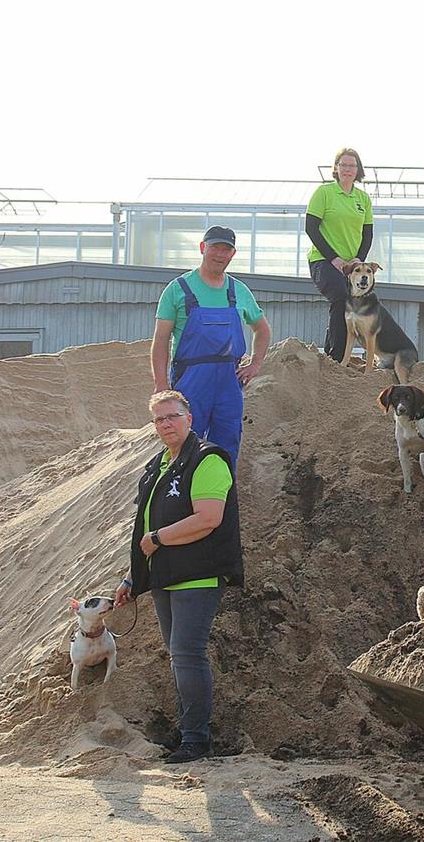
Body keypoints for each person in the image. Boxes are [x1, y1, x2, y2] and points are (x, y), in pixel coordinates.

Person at [114, 390, 244, 764]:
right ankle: (188, 728)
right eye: (159, 419)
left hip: (198, 573)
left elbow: (208, 518)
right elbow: (146, 523)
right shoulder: (159, 464)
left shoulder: (207, 459)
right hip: (166, 575)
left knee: (187, 653)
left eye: (172, 416)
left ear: (189, 418)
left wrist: (157, 539)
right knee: (179, 655)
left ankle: (196, 740)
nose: (166, 423)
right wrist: (132, 577)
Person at [151, 225, 271, 466]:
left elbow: (262, 329)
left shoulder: (239, 291)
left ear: (233, 254)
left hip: (229, 384)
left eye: (226, 249)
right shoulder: (178, 289)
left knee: (226, 447)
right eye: (215, 247)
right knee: (184, 445)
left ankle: (223, 490)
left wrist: (256, 363)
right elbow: (161, 340)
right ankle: (180, 489)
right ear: (202, 248)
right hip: (190, 383)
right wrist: (161, 384)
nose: (220, 254)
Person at [305, 147, 374, 362]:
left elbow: (368, 234)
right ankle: (336, 357)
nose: (347, 169)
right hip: (323, 260)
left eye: (352, 165)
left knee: (351, 305)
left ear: (358, 170)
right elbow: (311, 228)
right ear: (336, 168)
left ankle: (330, 355)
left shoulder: (363, 199)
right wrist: (333, 258)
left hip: (352, 266)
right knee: (341, 298)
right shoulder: (324, 193)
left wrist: (359, 259)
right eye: (343, 164)